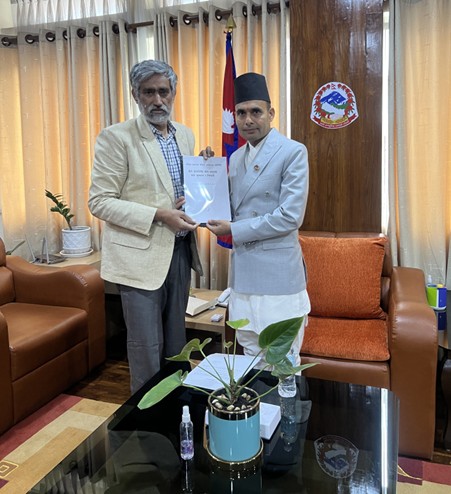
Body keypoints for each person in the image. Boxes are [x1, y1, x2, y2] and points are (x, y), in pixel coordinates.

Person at [89, 59, 213, 393]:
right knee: (146, 346)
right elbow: (99, 201)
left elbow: (180, 191)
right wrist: (159, 214)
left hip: (180, 250)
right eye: (148, 92)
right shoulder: (116, 138)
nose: (157, 100)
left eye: (163, 91)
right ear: (135, 95)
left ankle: (176, 408)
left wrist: (204, 171)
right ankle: (146, 417)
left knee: (176, 342)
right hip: (138, 258)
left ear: (173, 93)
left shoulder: (185, 134)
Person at [207, 72, 310, 365]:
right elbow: (225, 207)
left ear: (271, 113)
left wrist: (234, 229)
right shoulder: (236, 158)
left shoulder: (292, 152)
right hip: (244, 278)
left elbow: (290, 217)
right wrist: (206, 173)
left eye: (256, 112)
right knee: (251, 360)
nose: (248, 120)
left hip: (278, 279)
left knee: (283, 363)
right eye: (241, 113)